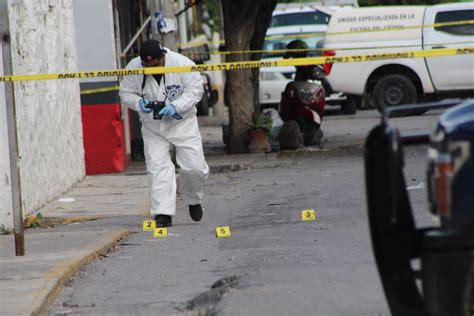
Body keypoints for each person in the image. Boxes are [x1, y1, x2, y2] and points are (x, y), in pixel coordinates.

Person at [119, 39, 209, 227]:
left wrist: (176, 105)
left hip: (182, 123)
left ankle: (193, 200)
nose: (153, 69)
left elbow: (195, 91)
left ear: (163, 57)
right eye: (147, 66)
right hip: (153, 127)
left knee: (194, 168)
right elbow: (126, 93)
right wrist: (138, 104)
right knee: (157, 168)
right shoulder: (134, 67)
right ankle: (163, 213)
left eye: (157, 65)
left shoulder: (183, 64)